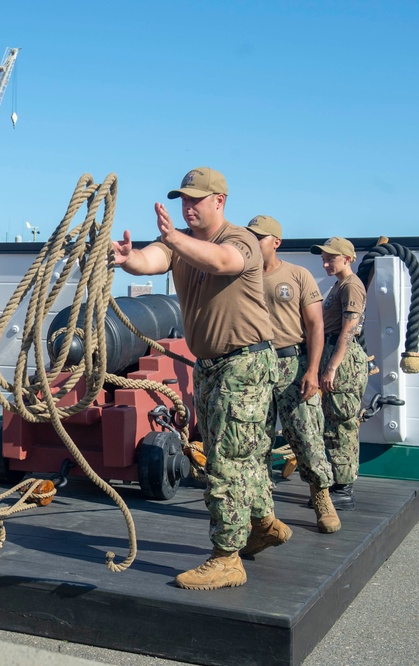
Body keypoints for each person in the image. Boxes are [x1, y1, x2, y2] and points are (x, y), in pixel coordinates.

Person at [112, 166, 289, 590]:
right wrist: (127, 259)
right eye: (183, 199)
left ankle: (227, 558)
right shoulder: (181, 247)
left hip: (243, 363)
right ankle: (262, 522)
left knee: (225, 461)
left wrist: (174, 238)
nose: (188, 206)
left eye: (195, 199)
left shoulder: (238, 239)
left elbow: (223, 262)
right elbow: (151, 260)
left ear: (219, 202)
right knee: (237, 453)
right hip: (211, 365)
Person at [246, 216, 340, 534]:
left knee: (305, 436)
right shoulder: (241, 277)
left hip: (291, 365)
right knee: (255, 441)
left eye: (260, 237)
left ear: (276, 242)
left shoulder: (297, 275)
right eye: (250, 236)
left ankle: (322, 498)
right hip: (253, 365)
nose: (253, 241)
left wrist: (312, 370)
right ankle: (263, 513)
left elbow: (315, 325)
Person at [311, 237, 368, 510]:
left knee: (341, 425)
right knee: (331, 425)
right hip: (332, 352)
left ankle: (343, 490)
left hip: (341, 360)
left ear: (346, 258)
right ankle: (336, 484)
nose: (325, 263)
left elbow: (349, 328)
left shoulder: (351, 287)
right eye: (323, 258)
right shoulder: (340, 285)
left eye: (330, 258)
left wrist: (332, 366)